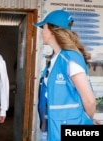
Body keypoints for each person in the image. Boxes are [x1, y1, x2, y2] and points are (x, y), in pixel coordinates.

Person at [34, 9, 100, 141]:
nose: (41, 32)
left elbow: (90, 101)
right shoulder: (55, 58)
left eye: (44, 27)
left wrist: (86, 122)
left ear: (53, 30)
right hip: (52, 127)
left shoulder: (69, 58)